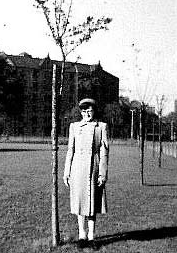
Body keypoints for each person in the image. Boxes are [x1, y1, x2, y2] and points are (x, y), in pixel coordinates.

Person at [63, 98, 109, 249]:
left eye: (89, 111)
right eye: (84, 111)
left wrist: (102, 173)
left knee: (92, 203)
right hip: (77, 169)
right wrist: (66, 172)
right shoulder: (74, 127)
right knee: (79, 201)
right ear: (80, 112)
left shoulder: (101, 127)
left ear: (94, 111)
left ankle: (91, 237)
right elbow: (70, 150)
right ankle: (82, 235)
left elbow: (104, 153)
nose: (87, 114)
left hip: (94, 168)